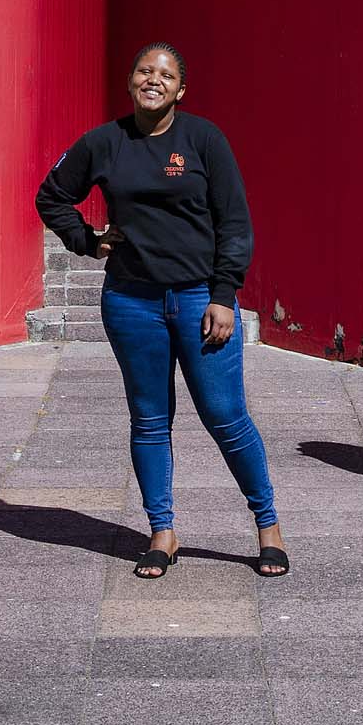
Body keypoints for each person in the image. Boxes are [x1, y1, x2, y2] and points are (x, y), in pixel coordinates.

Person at [36, 43, 288, 579]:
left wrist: (224, 294)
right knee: (150, 420)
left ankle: (268, 526)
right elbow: (51, 195)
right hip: (131, 302)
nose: (154, 80)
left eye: (166, 75)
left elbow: (234, 223)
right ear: (130, 82)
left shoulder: (203, 139)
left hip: (200, 300)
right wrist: (85, 239)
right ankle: (162, 532)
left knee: (226, 417)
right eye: (145, 72)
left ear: (181, 89)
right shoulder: (105, 143)